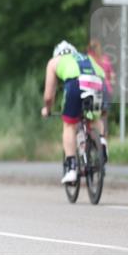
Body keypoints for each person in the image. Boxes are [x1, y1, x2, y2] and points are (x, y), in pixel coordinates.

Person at [40, 41, 106, 184]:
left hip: (77, 83)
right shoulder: (85, 57)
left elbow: (48, 96)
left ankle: (71, 169)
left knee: (69, 125)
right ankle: (102, 143)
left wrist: (47, 109)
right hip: (98, 82)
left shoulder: (54, 61)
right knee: (95, 119)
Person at [86, 38, 113, 160]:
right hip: (106, 91)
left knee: (89, 119)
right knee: (102, 121)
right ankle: (103, 142)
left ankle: (90, 146)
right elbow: (112, 77)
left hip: (93, 91)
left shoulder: (88, 59)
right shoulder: (105, 59)